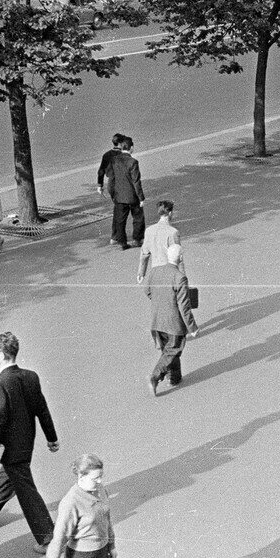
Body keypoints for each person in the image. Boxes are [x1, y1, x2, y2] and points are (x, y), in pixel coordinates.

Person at [0, 331, 59, 551]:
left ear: (3, 354)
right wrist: (51, 438)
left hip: (10, 448)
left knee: (26, 490)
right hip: (27, 443)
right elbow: (41, 409)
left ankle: (48, 538)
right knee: (11, 474)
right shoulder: (30, 376)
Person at [145, 244, 198, 395]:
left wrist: (159, 302)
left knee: (167, 351)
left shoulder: (155, 271)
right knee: (173, 350)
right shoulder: (180, 277)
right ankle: (155, 377)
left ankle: (174, 377)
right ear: (180, 258)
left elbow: (147, 290)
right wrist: (192, 327)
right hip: (173, 323)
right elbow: (184, 306)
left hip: (157, 320)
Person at [104, 137, 145, 250]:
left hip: (119, 196)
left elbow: (111, 178)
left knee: (120, 220)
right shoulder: (133, 162)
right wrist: (141, 198)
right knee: (138, 218)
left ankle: (122, 242)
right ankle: (137, 239)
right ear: (131, 148)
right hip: (132, 197)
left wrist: (112, 194)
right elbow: (136, 182)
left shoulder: (114, 160)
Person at [138, 200, 185, 281]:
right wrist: (183, 278)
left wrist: (141, 273)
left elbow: (144, 254)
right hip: (170, 274)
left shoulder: (149, 230)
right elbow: (178, 257)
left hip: (155, 273)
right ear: (170, 213)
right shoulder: (173, 232)